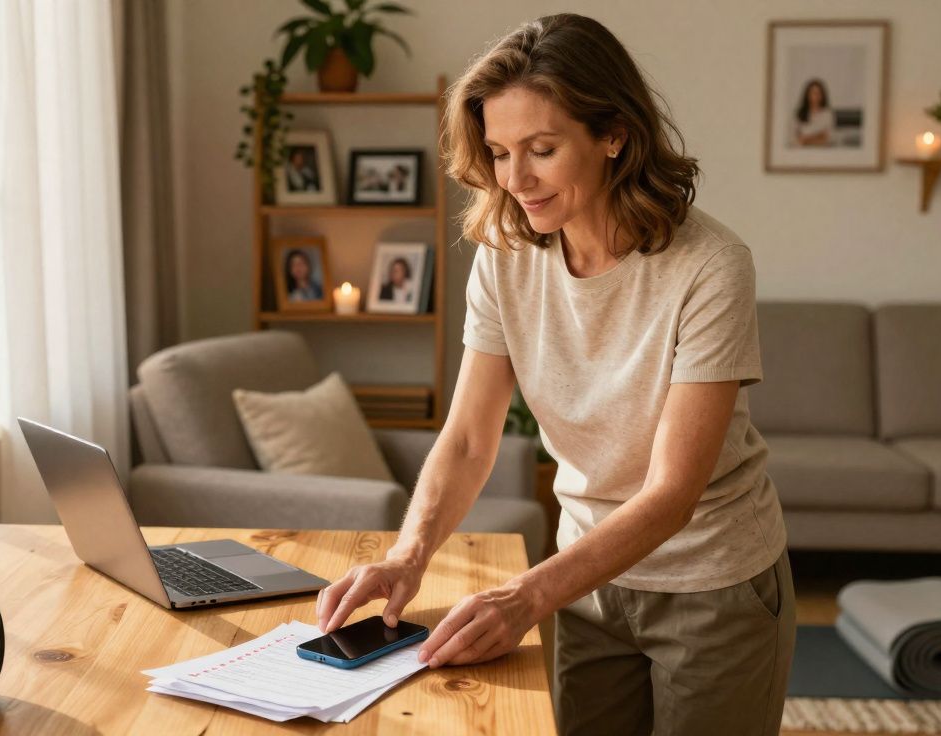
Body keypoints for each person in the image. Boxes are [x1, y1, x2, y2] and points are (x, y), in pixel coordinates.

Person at [315, 13, 795, 736]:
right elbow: (469, 440)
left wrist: (525, 597)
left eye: (542, 149)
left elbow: (672, 493)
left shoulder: (710, 266)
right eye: (499, 153)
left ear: (614, 135)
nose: (516, 179)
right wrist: (408, 555)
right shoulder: (505, 258)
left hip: (714, 586)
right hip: (586, 584)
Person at [794, 79, 835, 147]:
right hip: (802, 151)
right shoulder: (799, 113)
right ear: (807, 95)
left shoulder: (827, 114)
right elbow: (796, 139)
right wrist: (819, 135)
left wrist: (806, 139)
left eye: (819, 93)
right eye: (813, 93)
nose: (816, 96)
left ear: (822, 95)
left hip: (822, 151)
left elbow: (828, 138)